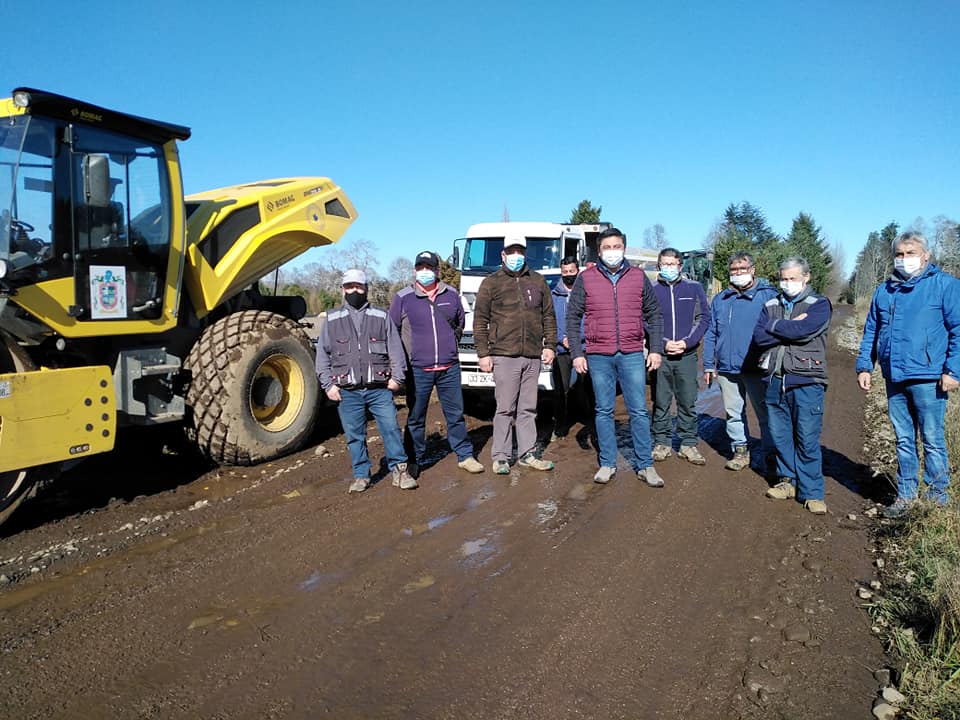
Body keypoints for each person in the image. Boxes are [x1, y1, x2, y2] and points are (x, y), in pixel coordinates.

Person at [856, 231, 960, 517]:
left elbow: (958, 330)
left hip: (929, 377)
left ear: (926, 255)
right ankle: (905, 496)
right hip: (894, 376)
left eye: (910, 253)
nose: (904, 259)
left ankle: (937, 500)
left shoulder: (945, 286)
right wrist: (865, 365)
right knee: (903, 439)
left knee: (932, 439)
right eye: (899, 254)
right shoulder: (885, 290)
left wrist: (953, 370)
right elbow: (871, 331)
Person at [566, 227, 665, 486]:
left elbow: (654, 314)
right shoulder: (586, 278)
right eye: (607, 247)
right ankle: (608, 463)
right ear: (599, 251)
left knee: (639, 410)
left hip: (632, 353)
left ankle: (645, 465)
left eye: (617, 247)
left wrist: (655, 349)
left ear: (624, 248)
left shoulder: (638, 277)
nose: (612, 252)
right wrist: (577, 353)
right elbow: (573, 316)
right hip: (599, 355)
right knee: (603, 410)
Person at [316, 269, 415, 493]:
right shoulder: (332, 319)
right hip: (347, 391)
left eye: (359, 286)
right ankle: (361, 475)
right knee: (354, 436)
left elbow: (395, 349)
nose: (354, 290)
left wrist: (397, 378)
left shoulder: (381, 316)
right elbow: (322, 356)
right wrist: (328, 385)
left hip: (379, 389)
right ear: (343, 290)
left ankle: (400, 471)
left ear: (366, 288)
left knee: (391, 429)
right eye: (349, 286)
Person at [389, 250, 484, 477]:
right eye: (420, 267)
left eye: (429, 268)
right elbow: (392, 331)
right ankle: (414, 459)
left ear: (437, 270)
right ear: (414, 271)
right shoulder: (403, 298)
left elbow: (460, 323)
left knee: (455, 415)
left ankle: (465, 455)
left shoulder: (451, 294)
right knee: (416, 417)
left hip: (449, 367)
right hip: (418, 369)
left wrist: (449, 346)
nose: (425, 271)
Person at [753, 257, 832, 514]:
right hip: (774, 379)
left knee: (807, 438)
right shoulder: (771, 304)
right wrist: (788, 327)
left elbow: (805, 331)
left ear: (806, 277)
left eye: (793, 278)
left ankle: (812, 492)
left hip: (806, 379)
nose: (787, 283)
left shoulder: (819, 304)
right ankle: (788, 481)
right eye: (784, 278)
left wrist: (775, 326)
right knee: (780, 436)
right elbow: (759, 337)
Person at [473, 234, 557, 474]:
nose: (516, 256)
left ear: (525, 253)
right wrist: (483, 353)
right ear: (503, 255)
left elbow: (548, 316)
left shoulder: (537, 281)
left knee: (528, 408)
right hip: (504, 355)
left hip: (532, 355)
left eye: (520, 251)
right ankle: (501, 456)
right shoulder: (491, 283)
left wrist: (550, 345)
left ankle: (527, 453)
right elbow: (480, 320)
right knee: (505, 408)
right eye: (511, 252)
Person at [702, 252, 778, 473]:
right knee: (733, 413)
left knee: (766, 414)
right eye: (734, 270)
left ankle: (771, 455)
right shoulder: (721, 299)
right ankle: (740, 451)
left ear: (752, 270)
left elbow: (779, 330)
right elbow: (711, 332)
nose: (738, 273)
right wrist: (708, 363)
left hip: (757, 368)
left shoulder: (768, 296)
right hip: (727, 368)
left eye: (742, 269)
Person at [650, 247, 711, 465]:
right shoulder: (651, 289)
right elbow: (645, 320)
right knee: (661, 400)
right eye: (664, 264)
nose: (668, 267)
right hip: (661, 355)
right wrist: (663, 343)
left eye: (672, 264)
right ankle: (662, 442)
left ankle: (688, 443)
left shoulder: (693, 288)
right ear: (659, 265)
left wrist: (687, 342)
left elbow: (703, 317)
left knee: (687, 400)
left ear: (680, 265)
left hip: (687, 354)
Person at [550, 256, 590, 440]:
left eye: (571, 271)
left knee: (585, 385)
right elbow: (550, 321)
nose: (568, 275)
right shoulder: (553, 296)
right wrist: (561, 339)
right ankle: (560, 425)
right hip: (561, 349)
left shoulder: (586, 294)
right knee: (561, 389)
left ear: (577, 271)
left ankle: (589, 421)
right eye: (565, 272)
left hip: (582, 347)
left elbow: (589, 321)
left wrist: (576, 338)